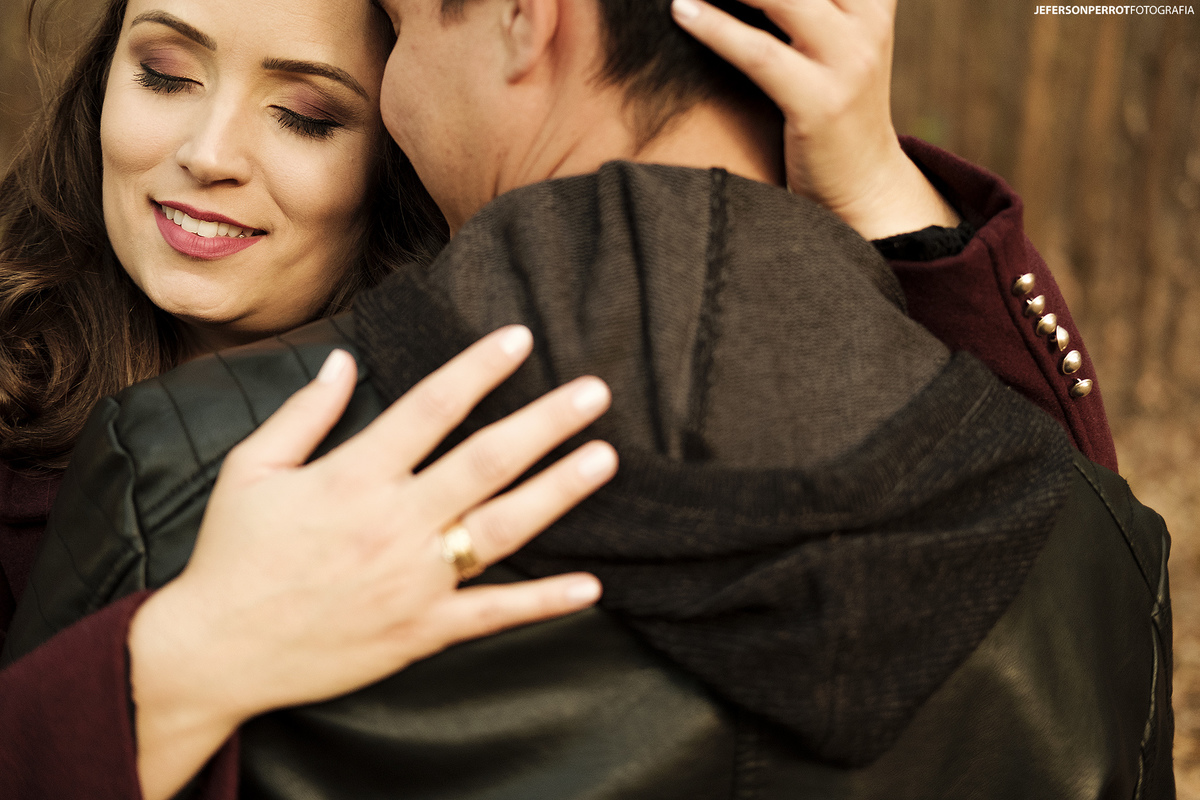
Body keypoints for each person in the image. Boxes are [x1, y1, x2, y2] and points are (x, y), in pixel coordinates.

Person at [7, 1, 1170, 799]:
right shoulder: (1076, 546)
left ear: (528, 19)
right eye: (162, 71)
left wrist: (875, 179)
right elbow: (1080, 568)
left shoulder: (193, 471)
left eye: (313, 112)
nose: (208, 152)